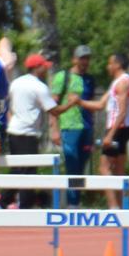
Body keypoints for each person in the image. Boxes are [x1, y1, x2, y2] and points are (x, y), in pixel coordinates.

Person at [0, 53, 79, 209]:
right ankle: (19, 205)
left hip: (14, 131)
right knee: (28, 172)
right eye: (44, 67)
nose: (46, 70)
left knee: (19, 170)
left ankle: (5, 203)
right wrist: (72, 103)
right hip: (28, 134)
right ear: (37, 67)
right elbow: (54, 111)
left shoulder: (16, 83)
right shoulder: (39, 87)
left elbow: (9, 106)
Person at [77, 53, 129, 208]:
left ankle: (114, 208)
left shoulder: (122, 83)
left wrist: (110, 135)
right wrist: (78, 102)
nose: (108, 67)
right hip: (122, 128)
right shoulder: (119, 82)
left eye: (110, 63)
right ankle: (125, 207)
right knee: (120, 170)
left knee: (104, 168)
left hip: (117, 128)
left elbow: (122, 112)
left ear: (117, 64)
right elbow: (100, 105)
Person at [48, 44, 96, 206]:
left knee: (81, 167)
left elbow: (91, 105)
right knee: (72, 165)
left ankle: (76, 201)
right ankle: (72, 204)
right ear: (74, 59)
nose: (85, 61)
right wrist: (54, 129)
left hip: (87, 128)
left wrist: (93, 129)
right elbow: (52, 105)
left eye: (87, 58)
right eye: (82, 58)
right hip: (69, 127)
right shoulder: (63, 76)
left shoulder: (90, 79)